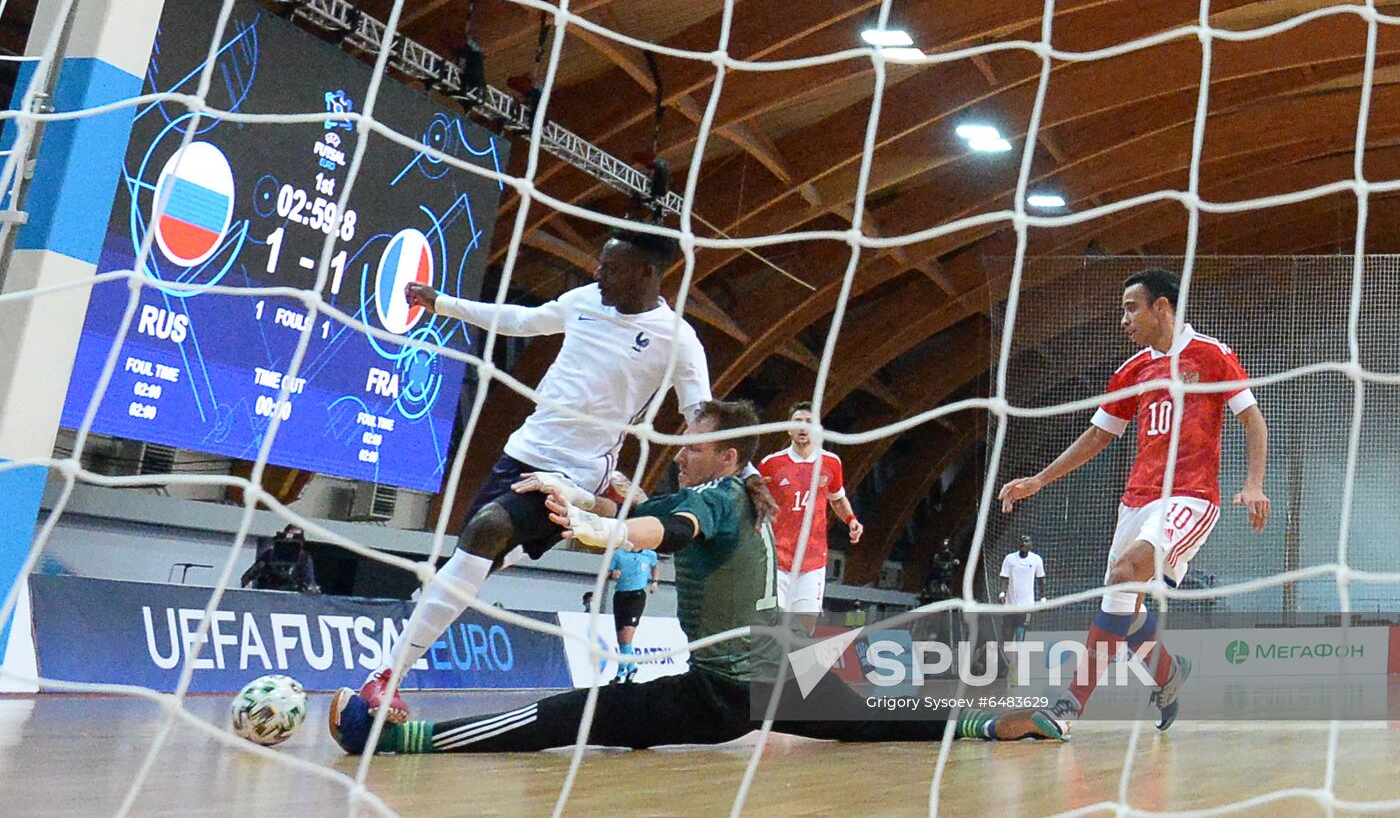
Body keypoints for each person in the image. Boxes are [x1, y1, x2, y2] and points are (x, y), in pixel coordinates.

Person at [329, 400, 1051, 755]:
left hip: (725, 689)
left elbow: (662, 530)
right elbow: (640, 508)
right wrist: (578, 496)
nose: (679, 452)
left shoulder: (719, 498)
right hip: (781, 665)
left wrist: (603, 532)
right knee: (871, 715)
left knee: (579, 714)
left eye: (693, 445)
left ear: (728, 456)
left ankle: (399, 742)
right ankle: (995, 723)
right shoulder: (732, 493)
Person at [359, 227, 712, 722]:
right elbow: (521, 320)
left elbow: (701, 413)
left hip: (576, 475)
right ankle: (509, 558)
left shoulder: (677, 339)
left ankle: (385, 677)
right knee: (472, 563)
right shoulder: (584, 301)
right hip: (520, 454)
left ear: (646, 274)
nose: (598, 274)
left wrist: (734, 467)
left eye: (611, 268)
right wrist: (442, 304)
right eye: (601, 264)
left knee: (486, 530)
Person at [996, 268, 1269, 737]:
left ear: (1161, 307)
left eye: (1130, 309)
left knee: (1124, 576)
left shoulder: (1212, 354)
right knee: (1125, 603)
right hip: (1136, 502)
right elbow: (1098, 435)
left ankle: (1066, 710)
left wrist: (1255, 483)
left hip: (1191, 497)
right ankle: (1168, 673)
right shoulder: (1133, 370)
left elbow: (1253, 421)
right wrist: (1039, 480)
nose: (1123, 320)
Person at [758, 402, 862, 631]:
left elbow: (837, 499)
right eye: (797, 421)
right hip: (777, 559)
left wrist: (851, 520)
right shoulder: (771, 464)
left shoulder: (831, 463)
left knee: (803, 631)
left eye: (809, 422)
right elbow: (754, 500)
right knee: (773, 628)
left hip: (813, 561)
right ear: (788, 428)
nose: (803, 427)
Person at [608, 546, 660, 683]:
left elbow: (655, 566)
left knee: (627, 635)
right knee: (621, 639)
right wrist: (613, 574)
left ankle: (620, 673)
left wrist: (655, 581)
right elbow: (608, 572)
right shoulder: (619, 554)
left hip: (636, 596)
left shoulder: (649, 554)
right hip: (620, 595)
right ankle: (631, 667)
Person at [997, 535, 1046, 677]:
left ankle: (1016, 671)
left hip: (1026, 606)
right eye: (1022, 541)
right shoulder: (1009, 559)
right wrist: (1002, 593)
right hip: (1010, 605)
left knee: (1020, 637)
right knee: (1007, 637)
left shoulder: (1036, 560)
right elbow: (1004, 578)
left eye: (1027, 541)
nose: (1024, 543)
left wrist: (1043, 597)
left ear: (1031, 544)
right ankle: (1011, 664)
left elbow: (1041, 580)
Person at [240, 524, 319, 594]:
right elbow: (250, 574)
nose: (291, 542)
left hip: (292, 596)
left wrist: (312, 589)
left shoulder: (304, 557)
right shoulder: (269, 554)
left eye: (296, 538)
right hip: (268, 594)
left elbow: (309, 580)